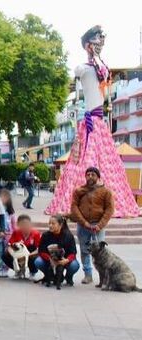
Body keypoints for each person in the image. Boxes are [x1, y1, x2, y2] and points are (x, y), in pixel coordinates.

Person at [46, 25, 138, 218]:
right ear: (88, 45)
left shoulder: (100, 69)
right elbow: (90, 72)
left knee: (105, 160)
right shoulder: (83, 69)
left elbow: (104, 73)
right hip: (91, 121)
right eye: (96, 40)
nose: (100, 43)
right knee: (82, 160)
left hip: (97, 121)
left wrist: (96, 57)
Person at [70, 167, 114, 284]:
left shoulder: (105, 191)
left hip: (98, 226)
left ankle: (103, 278)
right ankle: (88, 275)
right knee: (85, 250)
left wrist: (100, 225)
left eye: (93, 174)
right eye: (88, 174)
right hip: (83, 225)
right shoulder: (79, 190)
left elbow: (109, 209)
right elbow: (74, 207)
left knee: (100, 251)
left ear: (98, 177)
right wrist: (84, 222)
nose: (90, 176)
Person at [35, 214, 80, 286]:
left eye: (53, 223)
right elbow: (41, 251)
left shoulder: (68, 236)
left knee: (74, 265)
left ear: (60, 225)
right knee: (38, 262)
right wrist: (50, 259)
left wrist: (66, 260)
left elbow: (73, 253)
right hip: (50, 260)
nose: (50, 225)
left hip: (64, 260)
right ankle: (49, 276)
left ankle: (68, 277)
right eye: (49, 223)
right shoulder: (45, 235)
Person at [1, 214, 41, 280]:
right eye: (22, 224)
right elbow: (10, 246)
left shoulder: (36, 234)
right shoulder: (16, 232)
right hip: (17, 254)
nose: (25, 226)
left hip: (31, 254)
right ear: (18, 225)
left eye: (27, 224)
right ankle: (18, 271)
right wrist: (14, 255)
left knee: (34, 256)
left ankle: (33, 272)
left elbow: (39, 249)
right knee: (5, 255)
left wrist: (28, 255)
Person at [0, 188, 16, 278]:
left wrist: (14, 236)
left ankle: (6, 268)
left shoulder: (10, 212)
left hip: (8, 236)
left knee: (6, 252)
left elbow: (14, 225)